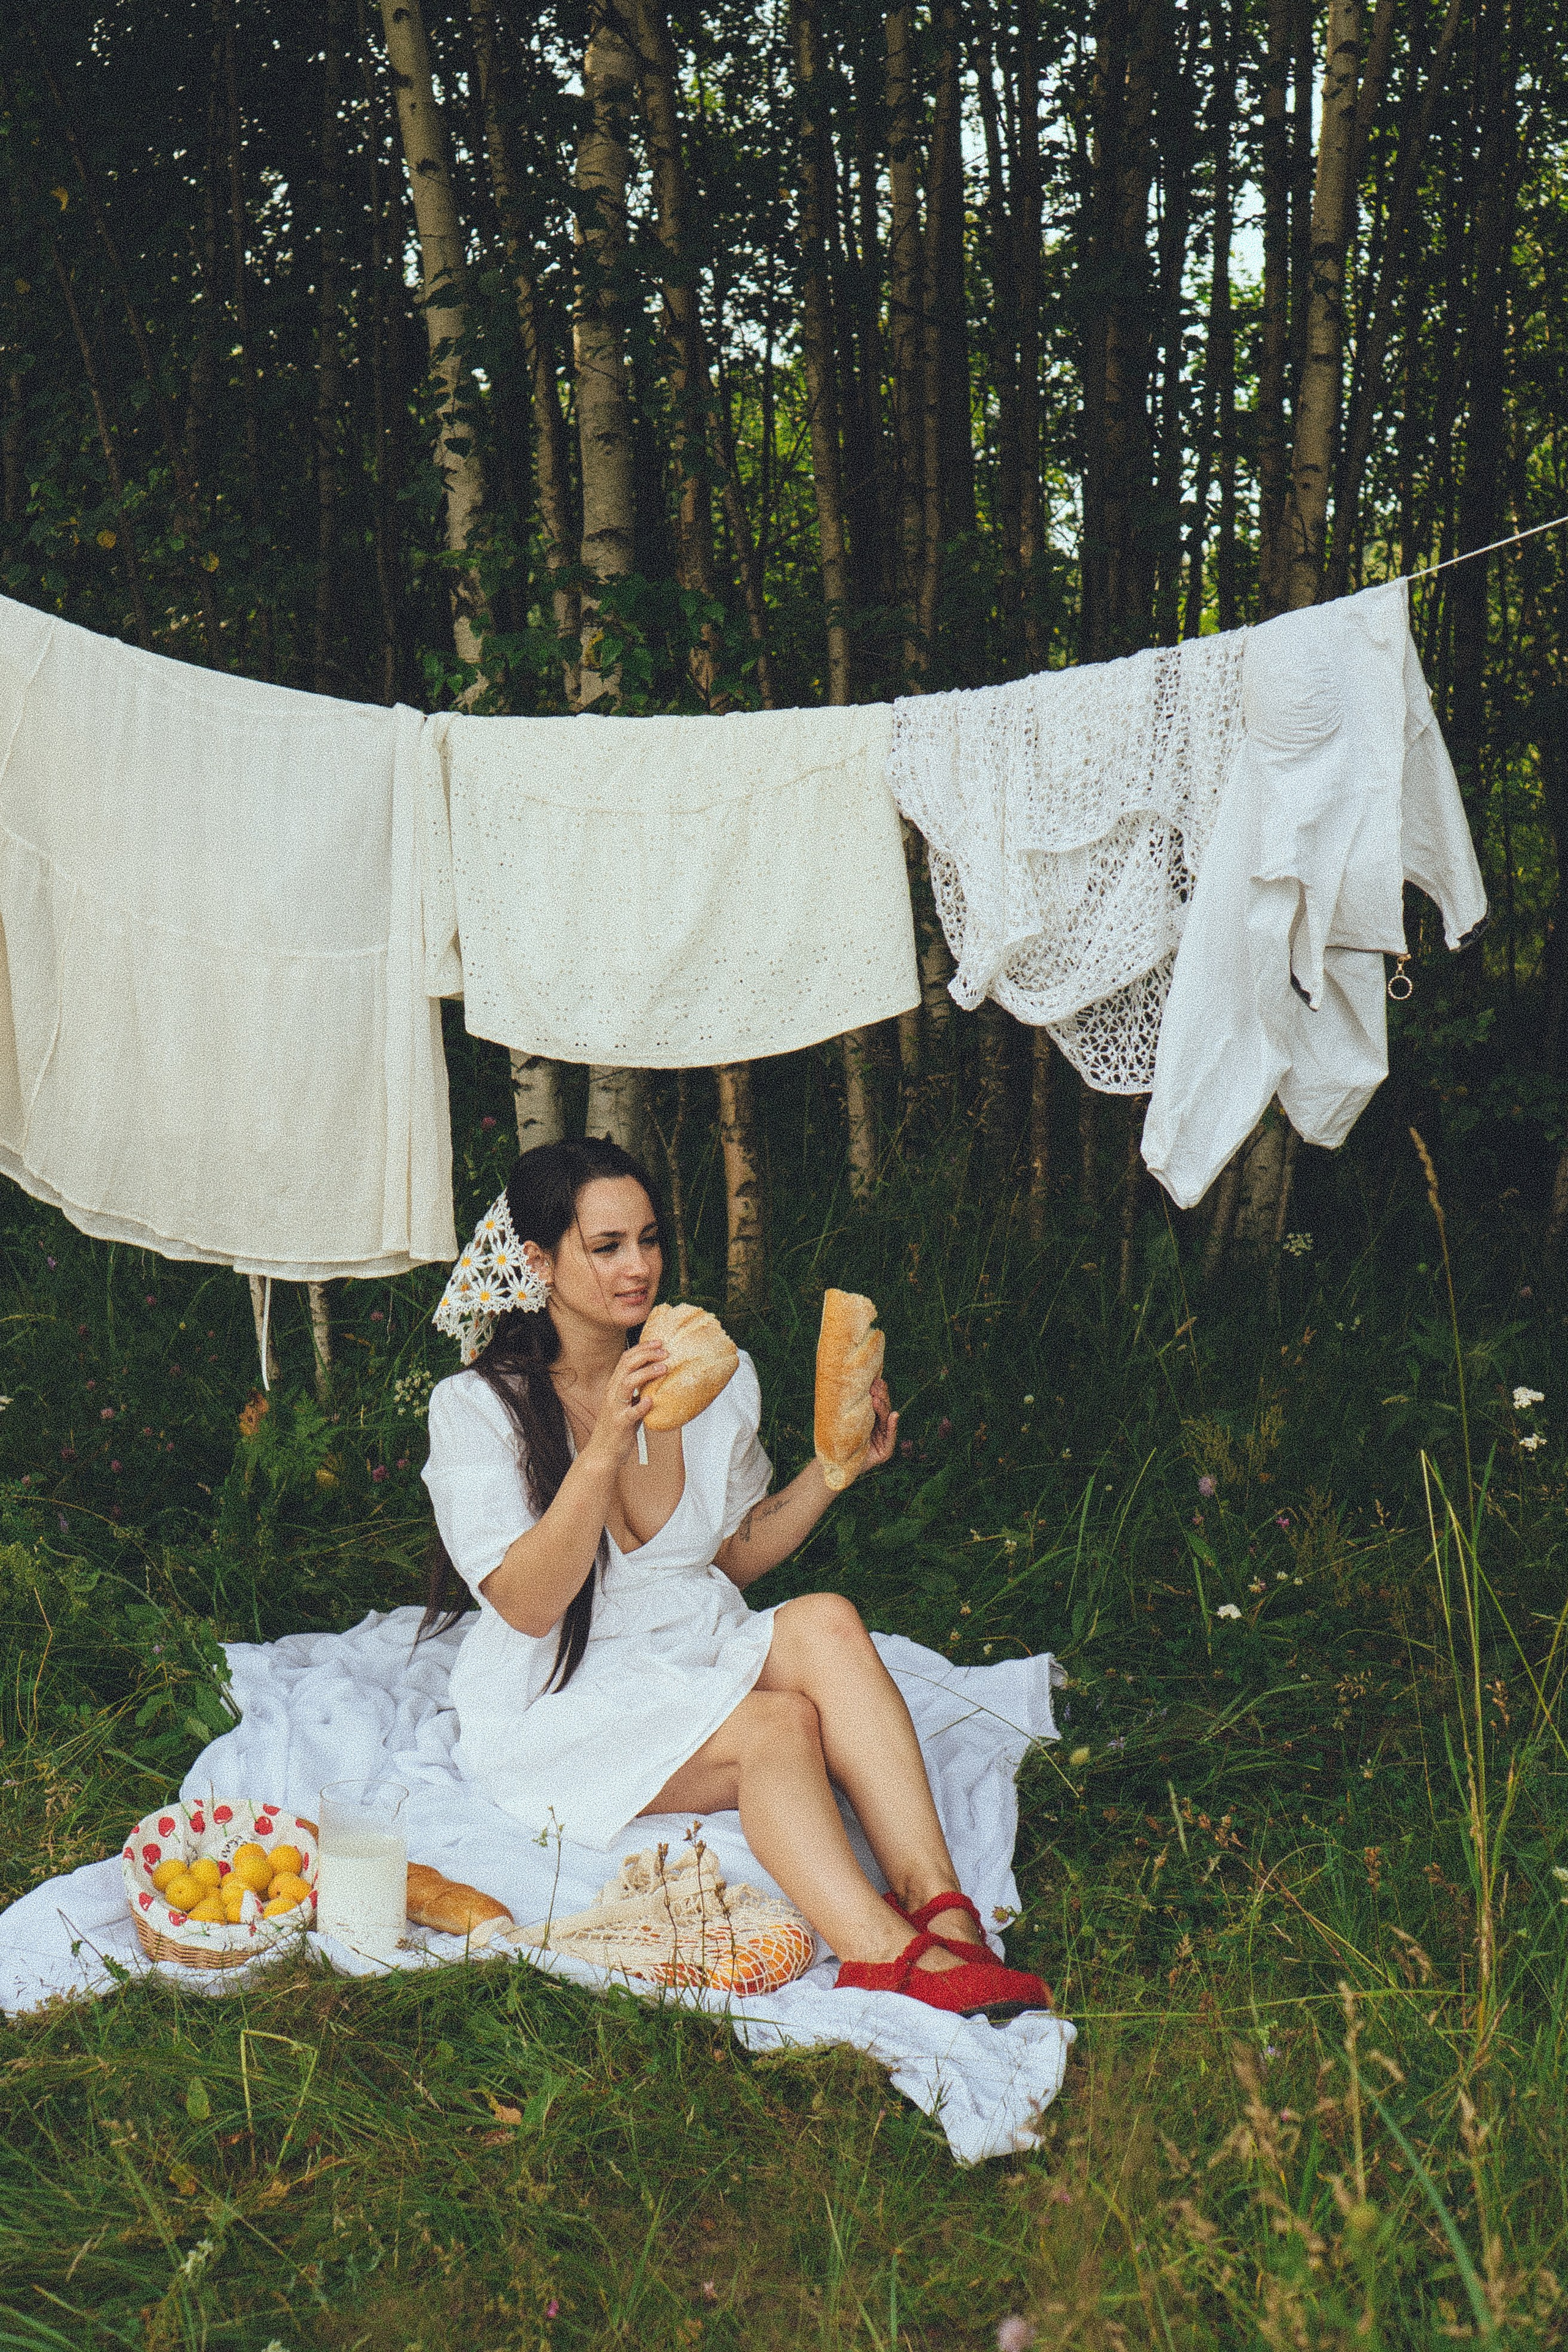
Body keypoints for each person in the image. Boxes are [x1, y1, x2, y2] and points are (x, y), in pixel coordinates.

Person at [420, 1136, 1051, 2017]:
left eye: (649, 1239)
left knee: (826, 1616)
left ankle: (940, 1909)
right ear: (540, 1261)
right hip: (565, 1688)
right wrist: (604, 1443)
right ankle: (878, 1952)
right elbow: (526, 1607)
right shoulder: (476, 1408)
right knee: (776, 1727)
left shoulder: (710, 1371)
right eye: (606, 1247)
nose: (639, 1268)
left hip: (689, 1639)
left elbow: (729, 1554)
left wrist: (834, 1471)